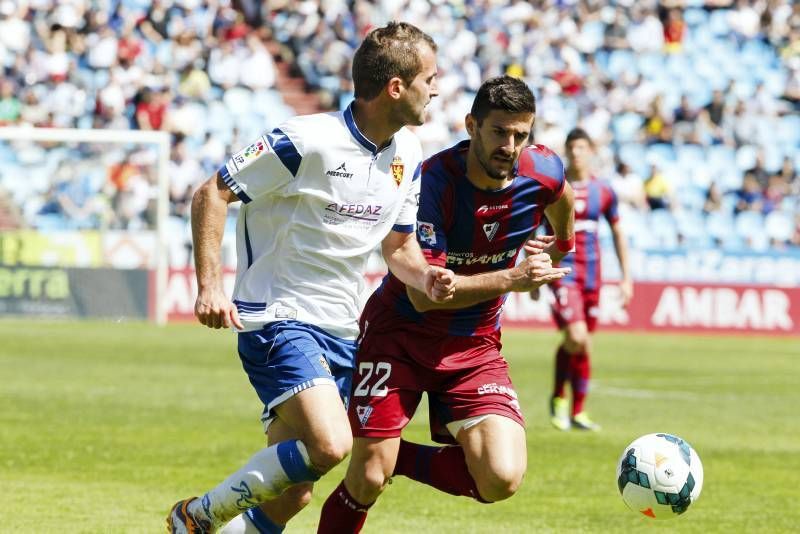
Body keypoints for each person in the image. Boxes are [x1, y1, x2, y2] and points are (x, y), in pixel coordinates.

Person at [167, 22, 456, 533]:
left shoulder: (409, 155)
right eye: (429, 77)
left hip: (343, 329)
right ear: (395, 87)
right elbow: (211, 194)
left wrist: (428, 278)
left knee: (293, 493)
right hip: (277, 316)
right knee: (332, 443)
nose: (436, 88)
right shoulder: (306, 139)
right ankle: (198, 517)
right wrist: (210, 287)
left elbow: (400, 248)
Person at [317, 75, 575, 533]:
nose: (509, 146)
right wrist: (514, 277)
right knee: (367, 479)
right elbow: (425, 295)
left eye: (521, 135)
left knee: (501, 478)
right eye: (499, 132)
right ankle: (380, 456)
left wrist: (557, 248)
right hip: (401, 334)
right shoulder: (433, 183)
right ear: (471, 125)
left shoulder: (542, 172)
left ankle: (396, 454)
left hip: (475, 346)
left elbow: (562, 205)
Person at [538, 127, 632, 432]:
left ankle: (578, 412)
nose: (576, 152)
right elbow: (531, 231)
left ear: (591, 151)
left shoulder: (603, 191)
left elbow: (618, 233)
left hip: (593, 276)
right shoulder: (553, 188)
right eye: (572, 147)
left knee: (583, 343)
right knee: (577, 337)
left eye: (581, 147)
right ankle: (557, 397)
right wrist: (533, 273)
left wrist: (626, 278)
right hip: (563, 273)